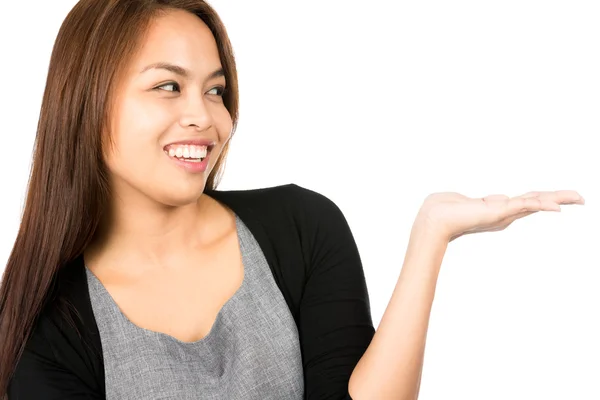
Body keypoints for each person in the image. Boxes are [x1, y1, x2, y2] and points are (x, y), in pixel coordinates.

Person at [0, 1, 585, 399]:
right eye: (167, 86)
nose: (204, 117)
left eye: (215, 90)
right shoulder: (46, 322)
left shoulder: (303, 227)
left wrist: (431, 234)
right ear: (87, 105)